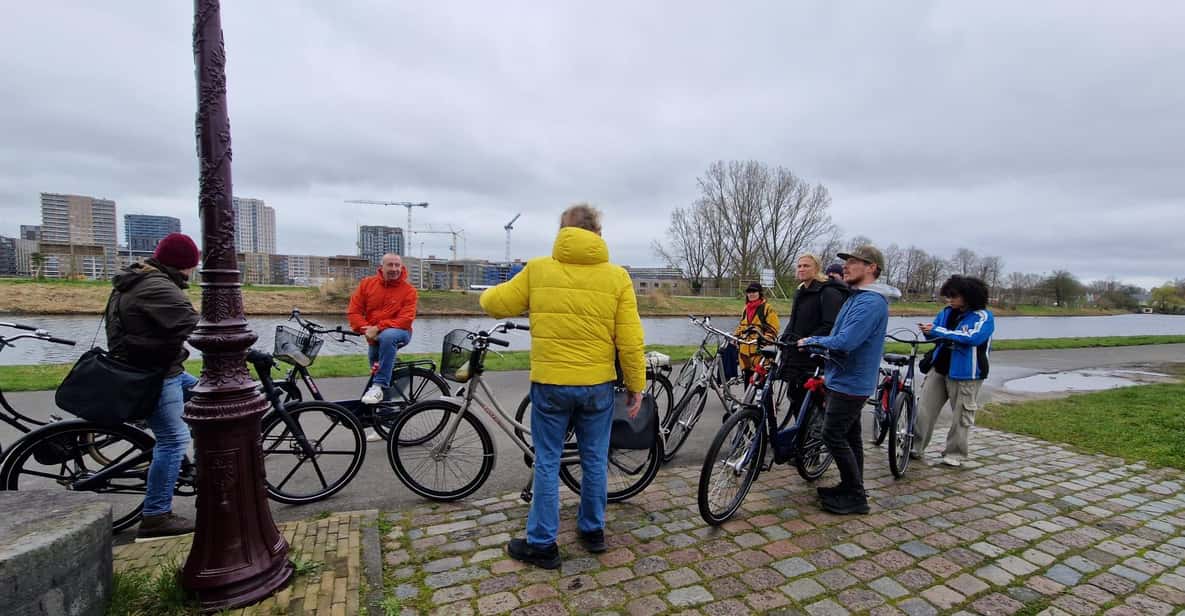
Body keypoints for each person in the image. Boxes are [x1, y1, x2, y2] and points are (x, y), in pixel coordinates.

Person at [480, 203, 645, 570]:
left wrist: (492, 292)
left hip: (551, 384)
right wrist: (636, 385)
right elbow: (630, 340)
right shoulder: (617, 277)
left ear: (562, 232)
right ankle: (593, 530)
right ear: (597, 234)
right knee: (595, 459)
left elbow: (495, 303)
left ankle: (542, 543)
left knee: (548, 460)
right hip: (597, 386)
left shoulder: (538, 269)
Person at [107, 232, 201, 541]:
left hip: (153, 367)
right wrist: (244, 349)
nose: (193, 272)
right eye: (192, 266)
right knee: (173, 440)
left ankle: (199, 463)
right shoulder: (157, 286)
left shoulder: (140, 277)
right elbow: (196, 326)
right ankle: (156, 517)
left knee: (204, 394)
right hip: (156, 374)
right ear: (183, 264)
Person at [797, 245, 892, 515]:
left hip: (852, 382)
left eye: (854, 262)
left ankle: (856, 496)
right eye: (846, 262)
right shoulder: (857, 297)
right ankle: (851, 486)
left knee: (832, 434)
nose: (846, 266)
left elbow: (847, 342)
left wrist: (812, 341)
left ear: (872, 267)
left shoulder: (871, 302)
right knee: (851, 437)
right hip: (843, 377)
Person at [913, 275, 995, 467]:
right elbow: (937, 335)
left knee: (961, 415)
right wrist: (928, 332)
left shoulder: (984, 317)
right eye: (948, 295)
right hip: (940, 368)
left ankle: (955, 454)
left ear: (969, 296)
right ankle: (915, 446)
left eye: (954, 295)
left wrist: (938, 331)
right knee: (923, 410)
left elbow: (972, 338)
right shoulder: (946, 312)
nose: (949, 299)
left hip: (966, 374)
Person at [777, 254, 850, 421]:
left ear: (817, 268)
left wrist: (809, 341)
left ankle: (812, 439)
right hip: (796, 353)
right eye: (799, 266)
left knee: (811, 400)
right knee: (795, 396)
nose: (801, 269)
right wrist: (785, 340)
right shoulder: (801, 291)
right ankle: (799, 437)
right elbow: (794, 321)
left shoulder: (828, 291)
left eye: (806, 266)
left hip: (814, 355)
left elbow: (830, 325)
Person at [348, 253, 418, 419]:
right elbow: (354, 310)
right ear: (382, 267)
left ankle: (379, 386)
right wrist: (364, 328)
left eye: (397, 265)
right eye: (390, 265)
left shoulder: (409, 291)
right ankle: (383, 419)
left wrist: (378, 328)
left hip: (400, 331)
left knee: (388, 338)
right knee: (378, 368)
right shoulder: (367, 285)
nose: (394, 269)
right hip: (374, 335)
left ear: (401, 268)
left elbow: (406, 319)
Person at [734, 283, 780, 386]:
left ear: (760, 293)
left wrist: (765, 339)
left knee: (762, 386)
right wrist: (736, 336)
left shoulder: (767, 308)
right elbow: (742, 325)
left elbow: (774, 328)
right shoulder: (745, 309)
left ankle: (765, 402)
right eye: (749, 292)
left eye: (754, 291)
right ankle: (747, 402)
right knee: (748, 383)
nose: (751, 294)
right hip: (745, 355)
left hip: (760, 354)